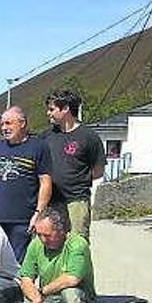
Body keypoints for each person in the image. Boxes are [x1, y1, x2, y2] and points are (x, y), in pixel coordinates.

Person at [6, 208, 97, 303]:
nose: (42, 239)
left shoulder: (77, 244)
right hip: (48, 299)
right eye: (39, 234)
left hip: (79, 299)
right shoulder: (36, 245)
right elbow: (26, 278)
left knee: (71, 295)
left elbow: (72, 278)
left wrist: (42, 293)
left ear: (61, 231)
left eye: (47, 235)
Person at [0, 106, 52, 261]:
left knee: (18, 266)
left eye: (8, 123)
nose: (4, 128)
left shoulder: (38, 147)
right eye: (2, 124)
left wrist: (38, 213)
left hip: (23, 220)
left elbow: (45, 182)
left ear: (22, 123)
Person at [41, 90, 106, 241]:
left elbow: (98, 170)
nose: (48, 113)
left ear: (65, 109)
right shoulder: (45, 137)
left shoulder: (89, 137)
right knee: (50, 241)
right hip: (51, 201)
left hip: (76, 200)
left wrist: (77, 180)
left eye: (52, 109)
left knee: (77, 243)